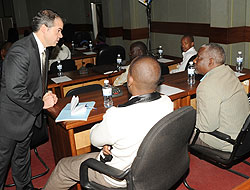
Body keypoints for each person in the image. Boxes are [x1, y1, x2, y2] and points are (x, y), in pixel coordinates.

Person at [44, 55, 174, 189]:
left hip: (118, 177)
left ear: (129, 80)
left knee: (63, 167)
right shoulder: (167, 103)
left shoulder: (117, 115)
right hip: (151, 169)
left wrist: (107, 138)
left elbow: (94, 139)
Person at [0, 9, 63, 189]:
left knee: (21, 160)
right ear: (44, 28)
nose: (61, 35)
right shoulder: (21, 50)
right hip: (8, 121)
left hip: (26, 117)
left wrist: (45, 93)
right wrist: (41, 103)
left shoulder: (43, 49)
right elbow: (15, 90)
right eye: (58, 30)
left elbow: (33, 81)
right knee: (2, 165)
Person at [193, 43, 250, 152]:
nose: (195, 61)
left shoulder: (207, 86)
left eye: (199, 58)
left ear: (210, 61)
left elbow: (207, 127)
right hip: (244, 138)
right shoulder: (228, 72)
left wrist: (189, 120)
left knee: (178, 130)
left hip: (227, 141)